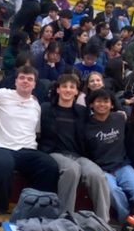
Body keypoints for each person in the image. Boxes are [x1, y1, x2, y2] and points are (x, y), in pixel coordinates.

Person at [0, 65, 60, 214]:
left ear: (34, 84)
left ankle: (35, 207)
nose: (25, 81)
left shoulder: (36, 104)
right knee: (3, 165)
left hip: (27, 149)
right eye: (22, 78)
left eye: (29, 79)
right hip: (2, 147)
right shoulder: (2, 94)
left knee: (50, 165)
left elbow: (37, 132)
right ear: (16, 81)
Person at [39, 73, 111, 220]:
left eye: (72, 87)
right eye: (64, 86)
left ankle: (103, 222)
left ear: (77, 91)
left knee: (97, 174)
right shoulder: (46, 108)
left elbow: (99, 119)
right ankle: (65, 218)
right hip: (55, 153)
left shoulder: (82, 111)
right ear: (58, 89)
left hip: (78, 155)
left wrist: (119, 112)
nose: (68, 90)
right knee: (72, 170)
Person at [83, 88, 134, 221]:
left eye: (106, 101)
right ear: (91, 104)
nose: (102, 104)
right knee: (114, 193)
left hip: (122, 166)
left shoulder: (119, 118)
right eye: (98, 101)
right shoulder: (86, 125)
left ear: (112, 105)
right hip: (102, 169)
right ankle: (127, 221)